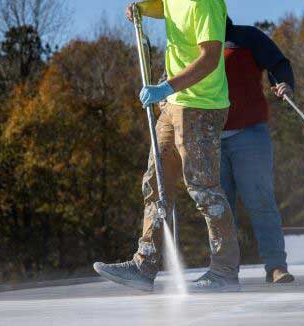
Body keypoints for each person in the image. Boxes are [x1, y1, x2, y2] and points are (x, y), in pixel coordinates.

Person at [94, 0, 241, 292]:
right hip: (174, 103)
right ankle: (144, 265)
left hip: (201, 105)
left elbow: (211, 57)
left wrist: (166, 87)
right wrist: (143, 9)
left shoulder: (206, 3)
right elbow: (164, 6)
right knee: (155, 181)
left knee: (203, 188)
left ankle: (225, 271)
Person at [222, 16, 295, 283]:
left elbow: (278, 63)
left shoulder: (247, 37)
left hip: (249, 133)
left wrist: (285, 82)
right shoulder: (190, 43)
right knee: (219, 209)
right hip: (208, 139)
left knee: (261, 201)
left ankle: (275, 266)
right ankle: (225, 270)